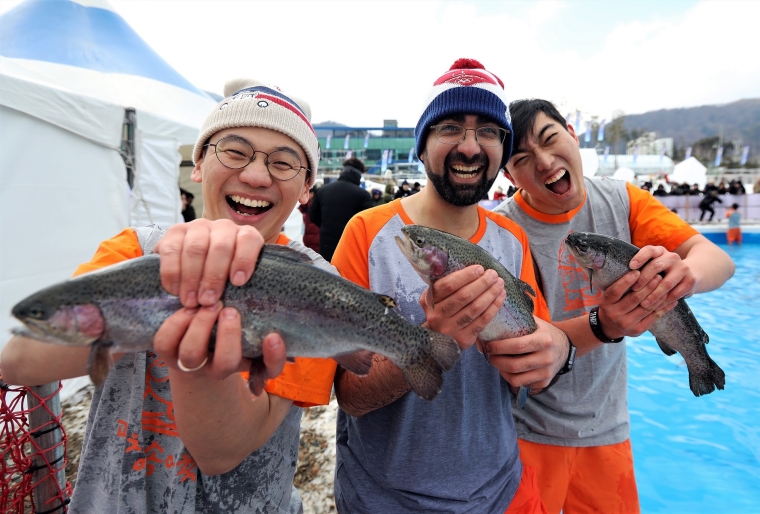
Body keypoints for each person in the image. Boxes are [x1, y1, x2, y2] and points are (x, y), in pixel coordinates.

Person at [1, 78, 338, 513]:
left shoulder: (320, 288)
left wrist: (192, 355)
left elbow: (223, 453)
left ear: (307, 188)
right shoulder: (137, 251)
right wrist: (137, 305)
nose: (255, 175)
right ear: (198, 164)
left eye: (284, 163)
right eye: (234, 152)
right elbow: (19, 361)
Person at [331, 58, 574, 513]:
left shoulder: (513, 240)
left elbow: (533, 362)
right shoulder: (366, 235)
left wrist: (557, 351)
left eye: (487, 131)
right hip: (381, 500)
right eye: (449, 128)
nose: (470, 146)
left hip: (500, 492)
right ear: (423, 146)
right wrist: (429, 340)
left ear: (502, 152)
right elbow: (349, 395)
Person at [494, 98, 734, 514]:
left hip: (607, 428)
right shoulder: (502, 232)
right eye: (522, 158)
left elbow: (719, 260)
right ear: (509, 174)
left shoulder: (622, 200)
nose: (546, 162)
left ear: (572, 133)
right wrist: (604, 323)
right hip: (525, 433)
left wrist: (686, 275)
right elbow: (528, 345)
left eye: (551, 139)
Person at [309, 156, 374, 262]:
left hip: (326, 245)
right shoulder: (362, 195)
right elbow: (369, 223)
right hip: (350, 247)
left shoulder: (323, 190)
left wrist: (327, 225)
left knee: (326, 275)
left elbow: (313, 215)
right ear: (359, 174)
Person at [299, 185, 320, 253]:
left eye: (308, 193)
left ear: (312, 194)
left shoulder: (315, 207)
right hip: (308, 239)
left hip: (315, 240)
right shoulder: (305, 207)